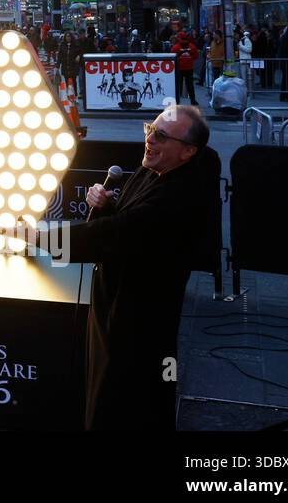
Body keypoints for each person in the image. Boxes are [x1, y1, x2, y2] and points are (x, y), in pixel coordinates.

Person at [54, 105, 217, 429]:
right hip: (115, 306)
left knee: (125, 405)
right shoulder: (152, 169)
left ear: (187, 152)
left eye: (160, 136)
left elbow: (119, 232)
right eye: (149, 130)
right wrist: (107, 205)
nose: (149, 141)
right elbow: (122, 221)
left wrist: (37, 238)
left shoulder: (179, 194)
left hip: (137, 322)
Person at [171, 30, 199, 105]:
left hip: (179, 68)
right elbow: (196, 56)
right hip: (189, 68)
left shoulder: (175, 47)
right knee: (190, 85)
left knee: (178, 85)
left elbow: (172, 57)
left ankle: (177, 101)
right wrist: (190, 57)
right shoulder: (192, 46)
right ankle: (193, 100)